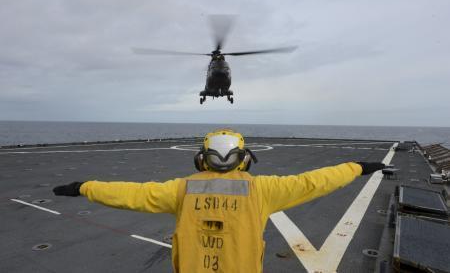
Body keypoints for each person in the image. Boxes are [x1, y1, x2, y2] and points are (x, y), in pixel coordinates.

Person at [53, 129, 385, 273]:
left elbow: (131, 194)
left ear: (202, 158)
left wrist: (84, 187)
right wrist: (358, 167)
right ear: (244, 158)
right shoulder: (263, 189)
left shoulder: (182, 189)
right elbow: (316, 181)